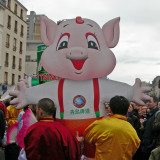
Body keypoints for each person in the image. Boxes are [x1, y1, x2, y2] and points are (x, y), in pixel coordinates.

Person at [83, 95, 140, 160]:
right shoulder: (131, 129)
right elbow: (135, 147)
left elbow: (87, 137)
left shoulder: (101, 124)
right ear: (127, 111)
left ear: (109, 109)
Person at [141, 96, 159, 160]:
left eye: (150, 102)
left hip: (151, 147)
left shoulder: (157, 114)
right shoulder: (150, 114)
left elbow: (155, 131)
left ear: (156, 103)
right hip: (146, 145)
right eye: (147, 101)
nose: (148, 103)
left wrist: (151, 145)